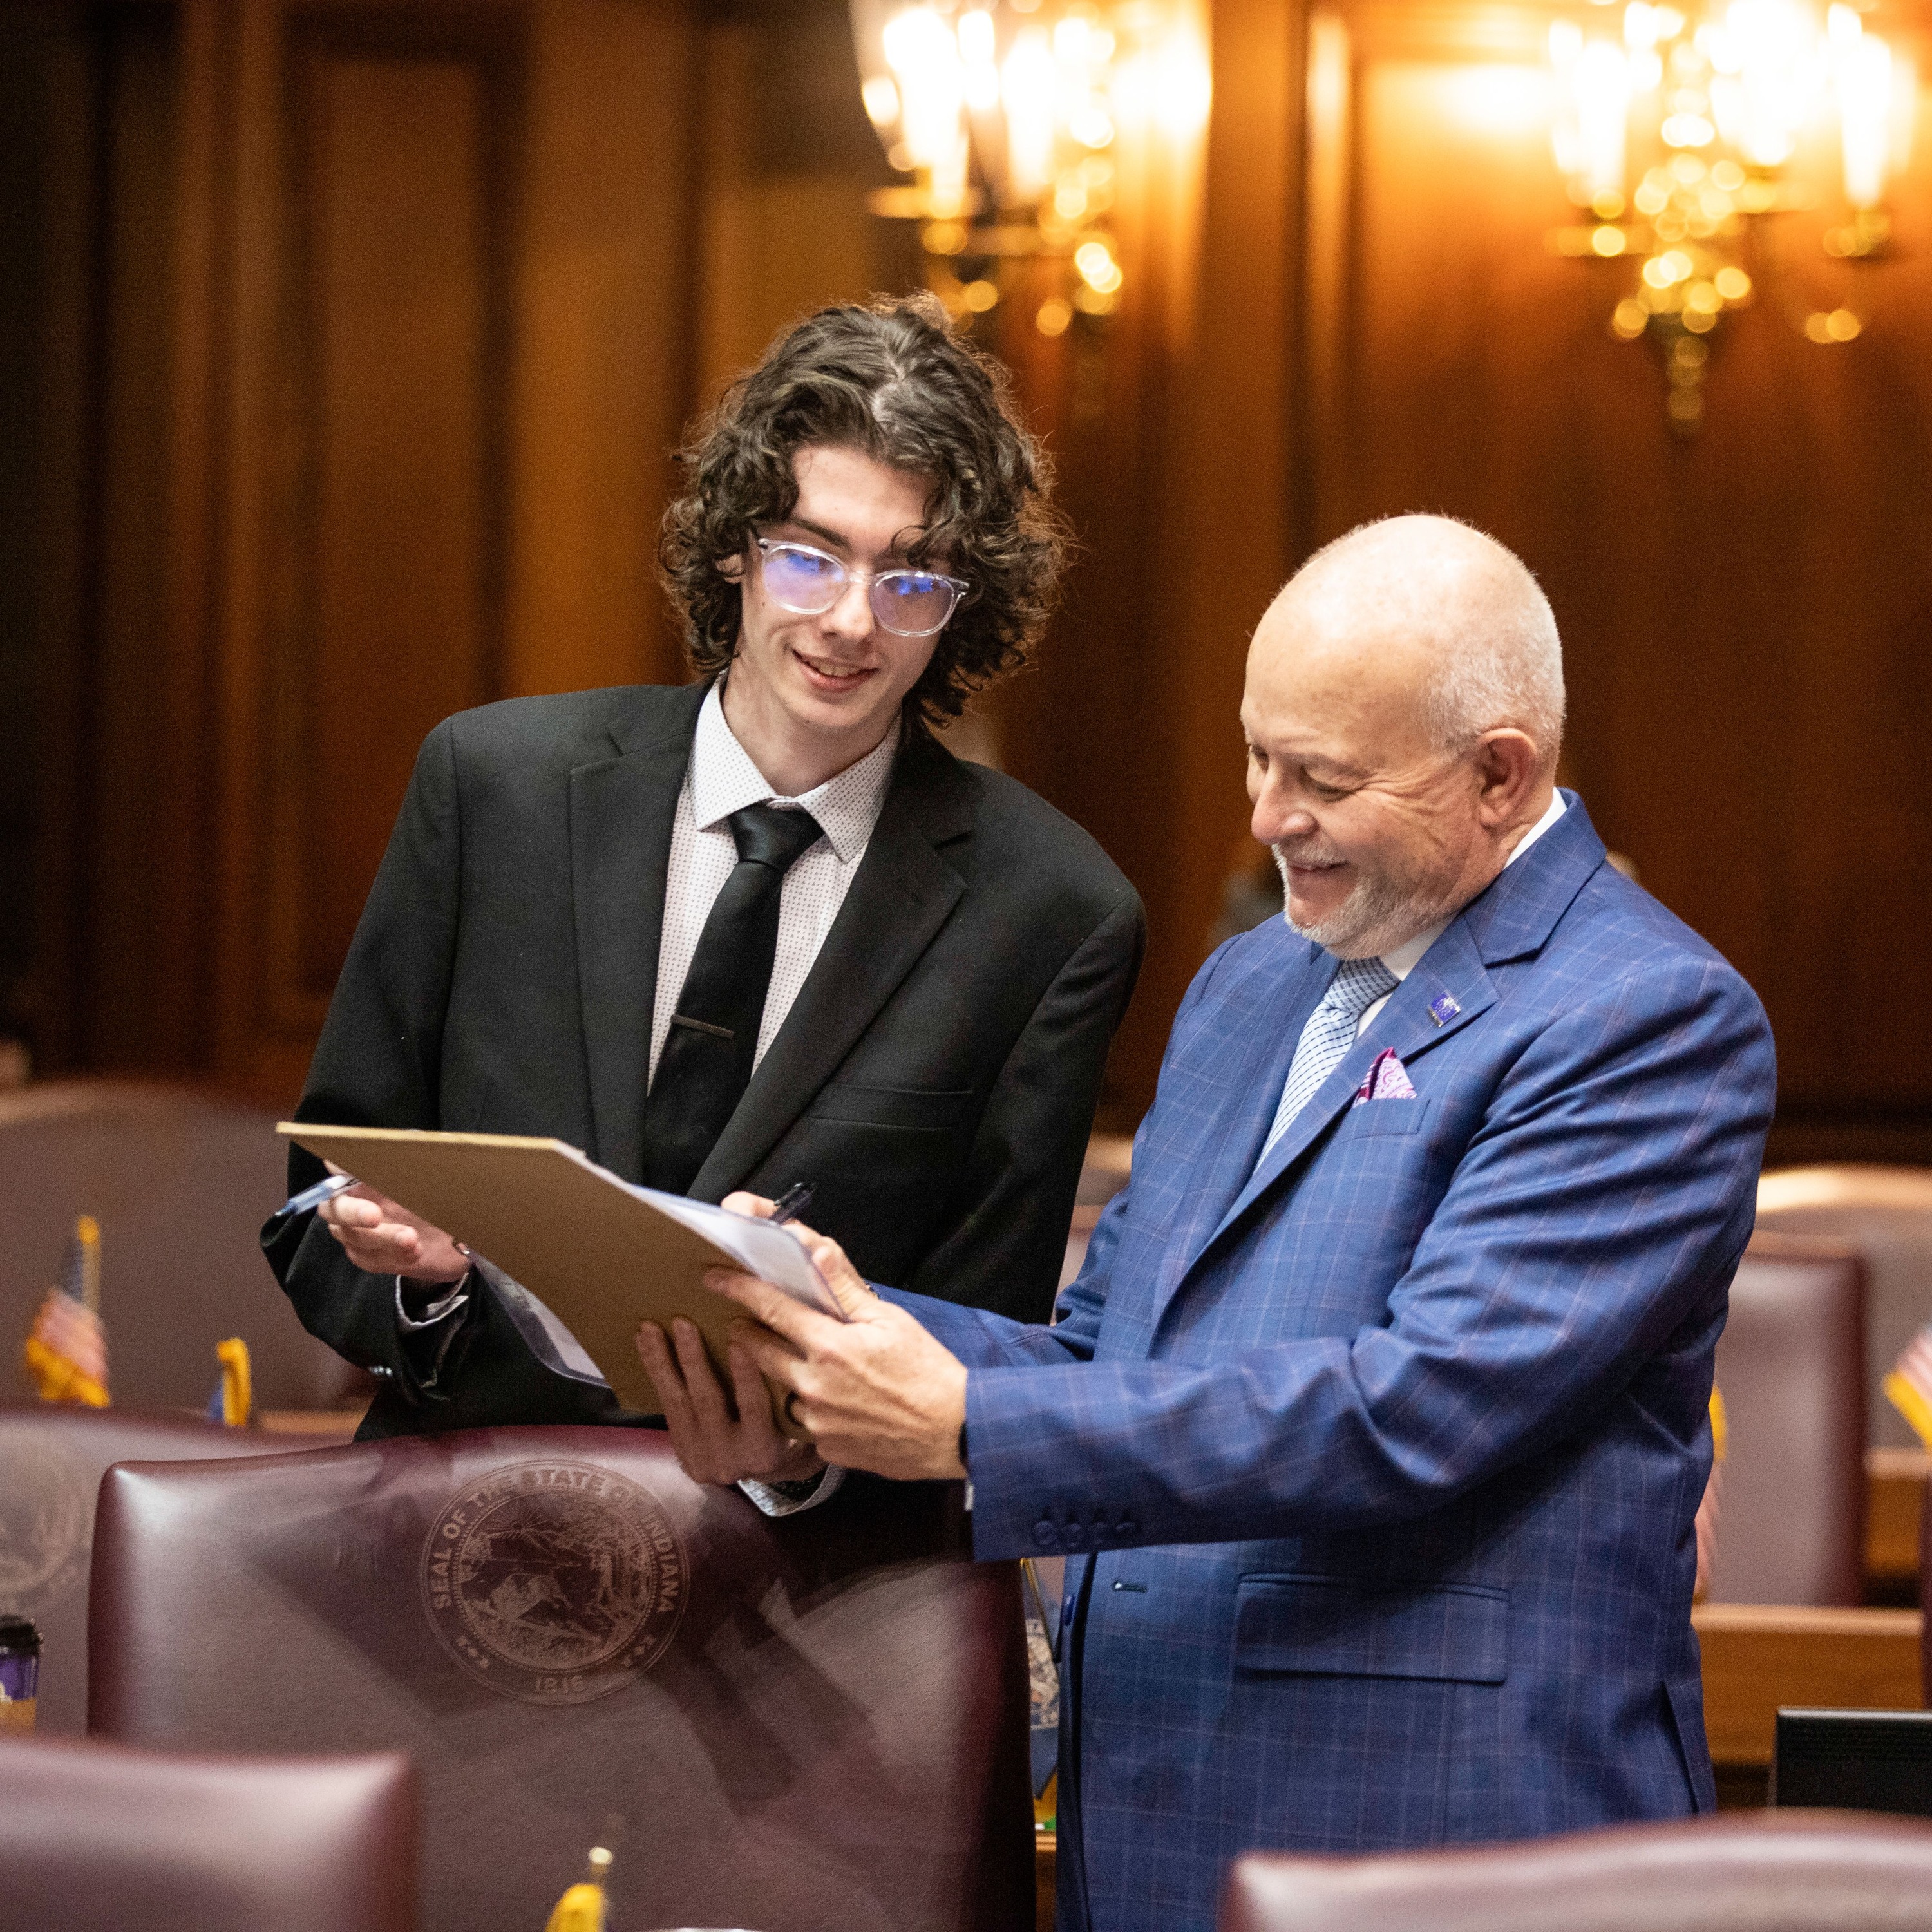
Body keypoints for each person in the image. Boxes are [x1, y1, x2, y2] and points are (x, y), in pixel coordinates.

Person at [674, 515, 1777, 1931]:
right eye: (1257, 756)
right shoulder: (1251, 983)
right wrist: (833, 1323)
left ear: (1501, 776)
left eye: (1324, 778)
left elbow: (1417, 1406)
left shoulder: (1646, 1015)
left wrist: (968, 1424)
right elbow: (1109, 1352)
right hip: (1153, 1816)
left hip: (1442, 1839)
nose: (1265, 817)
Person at [262, 295, 1144, 1454]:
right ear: (736, 545)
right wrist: (424, 1285)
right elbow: (319, 1200)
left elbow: (982, 1351)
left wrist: (798, 1460)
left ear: (962, 602)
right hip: (465, 1503)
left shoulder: (1053, 913)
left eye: (911, 577)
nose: (851, 621)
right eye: (809, 557)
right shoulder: (493, 787)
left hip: (797, 1543)